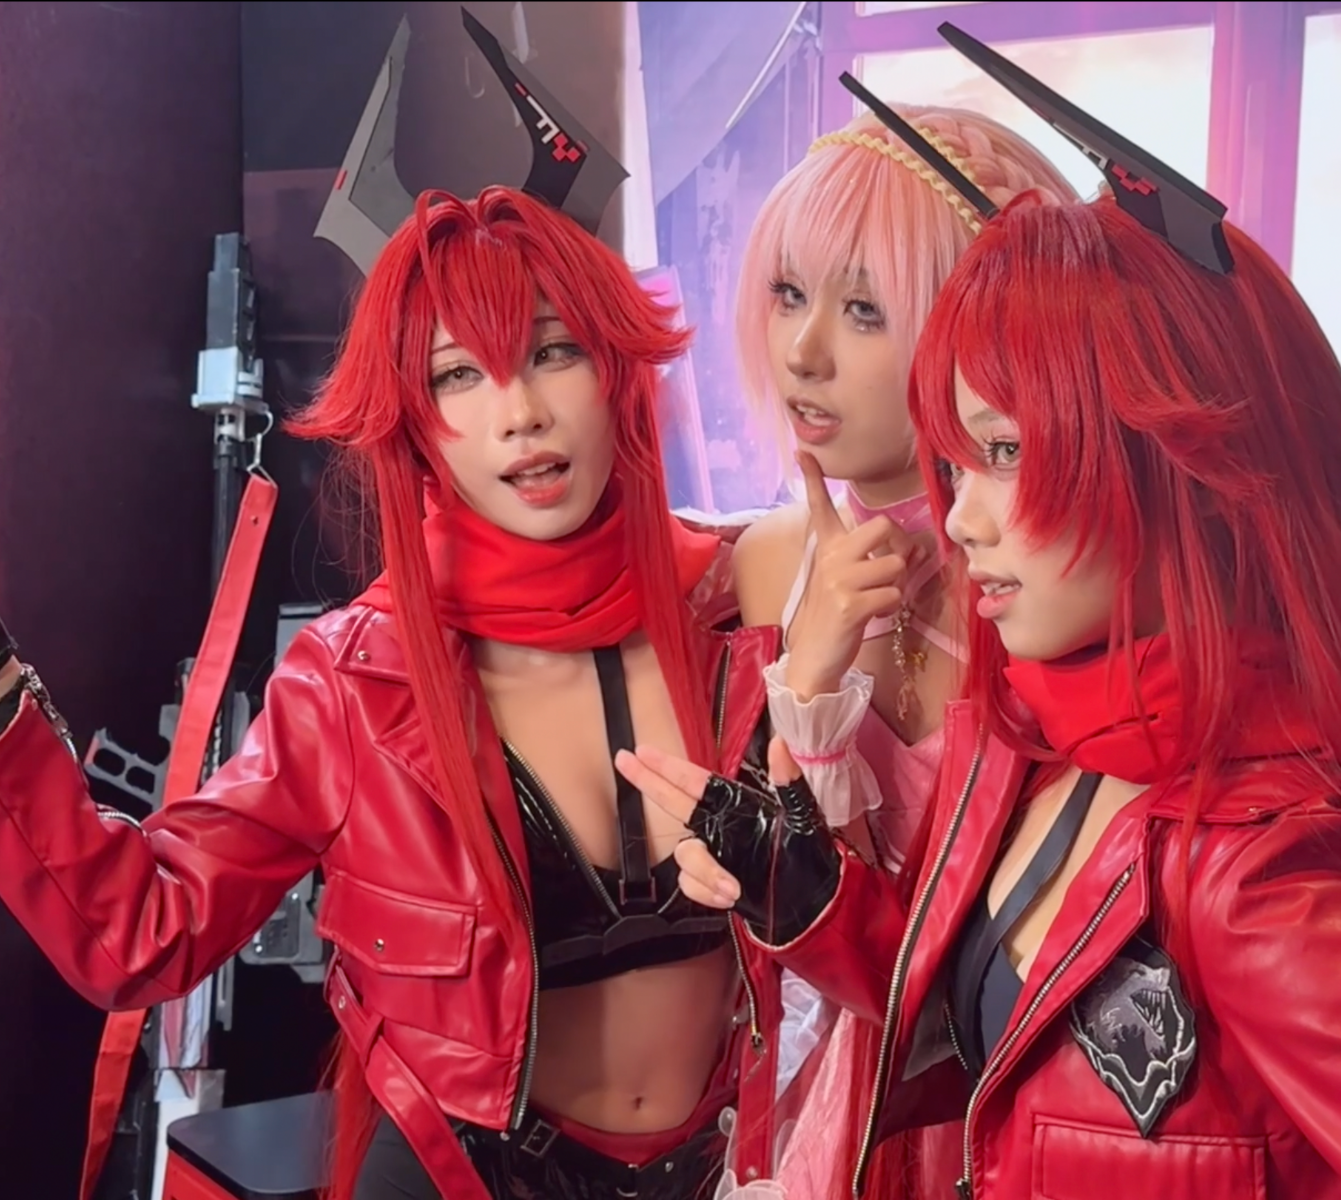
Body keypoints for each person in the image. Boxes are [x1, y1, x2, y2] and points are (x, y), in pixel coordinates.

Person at [613, 32, 1341, 1200]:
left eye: (1005, 454)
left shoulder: (1258, 877)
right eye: (956, 460)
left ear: (1164, 465)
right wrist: (803, 884)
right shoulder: (1033, 739)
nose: (962, 518)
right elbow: (971, 1018)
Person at [0, 183, 789, 1200]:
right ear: (415, 421)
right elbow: (139, 932)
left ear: (615, 369)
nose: (520, 414)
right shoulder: (353, 687)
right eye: (459, 374)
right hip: (455, 1177)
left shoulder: (745, 612)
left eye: (554, 352)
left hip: (735, 1169)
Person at [727, 102, 1079, 1198]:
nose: (802, 351)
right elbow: (788, 903)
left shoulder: (1050, 587)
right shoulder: (763, 562)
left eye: (864, 311)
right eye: (788, 294)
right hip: (820, 1090)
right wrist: (811, 669)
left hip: (1004, 1091)